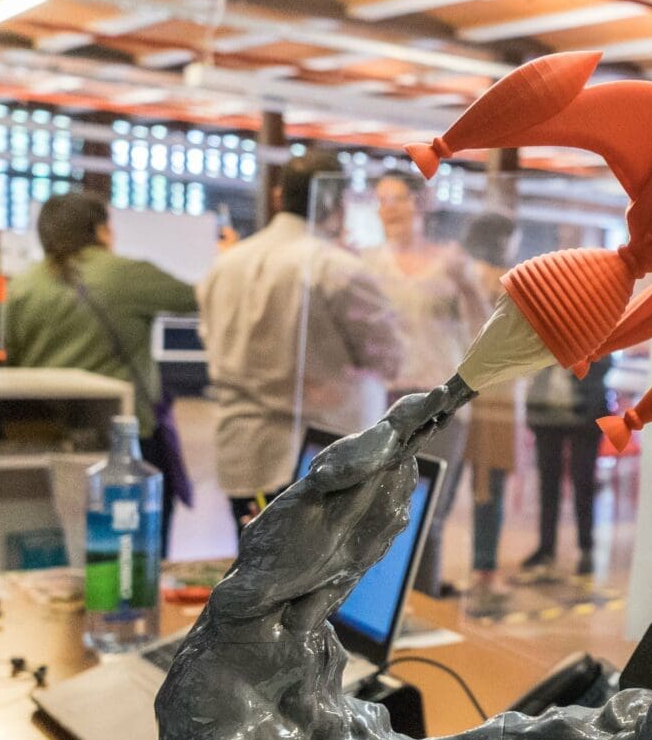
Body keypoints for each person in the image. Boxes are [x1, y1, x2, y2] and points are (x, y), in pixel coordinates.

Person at [198, 151, 404, 536]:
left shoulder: (225, 265)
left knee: (255, 579)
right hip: (319, 456)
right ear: (337, 204)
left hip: (242, 452)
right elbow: (388, 358)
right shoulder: (336, 268)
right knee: (313, 586)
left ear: (279, 197)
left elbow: (211, 341)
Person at [5, 192, 198, 554]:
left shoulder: (22, 286)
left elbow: (11, 362)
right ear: (100, 230)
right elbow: (199, 298)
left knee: (60, 540)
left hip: (46, 438)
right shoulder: (124, 274)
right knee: (136, 549)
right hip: (127, 441)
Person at [361, 173, 487, 594]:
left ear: (422, 202)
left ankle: (421, 607)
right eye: (381, 200)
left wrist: (468, 284)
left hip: (439, 402)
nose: (388, 208)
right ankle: (380, 605)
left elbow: (482, 326)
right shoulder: (367, 262)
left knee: (428, 514)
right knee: (378, 512)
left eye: (396, 198)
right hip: (382, 401)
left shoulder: (450, 259)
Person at [460, 212, 520, 605]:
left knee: (478, 487)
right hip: (494, 394)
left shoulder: (469, 275)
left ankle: (483, 566)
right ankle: (486, 567)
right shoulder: (505, 281)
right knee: (489, 488)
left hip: (475, 389)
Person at [522, 353, 611, 579]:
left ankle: (586, 549)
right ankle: (546, 548)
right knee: (548, 484)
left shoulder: (598, 325)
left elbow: (606, 363)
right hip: (545, 412)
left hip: (586, 412)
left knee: (583, 482)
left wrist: (574, 360)